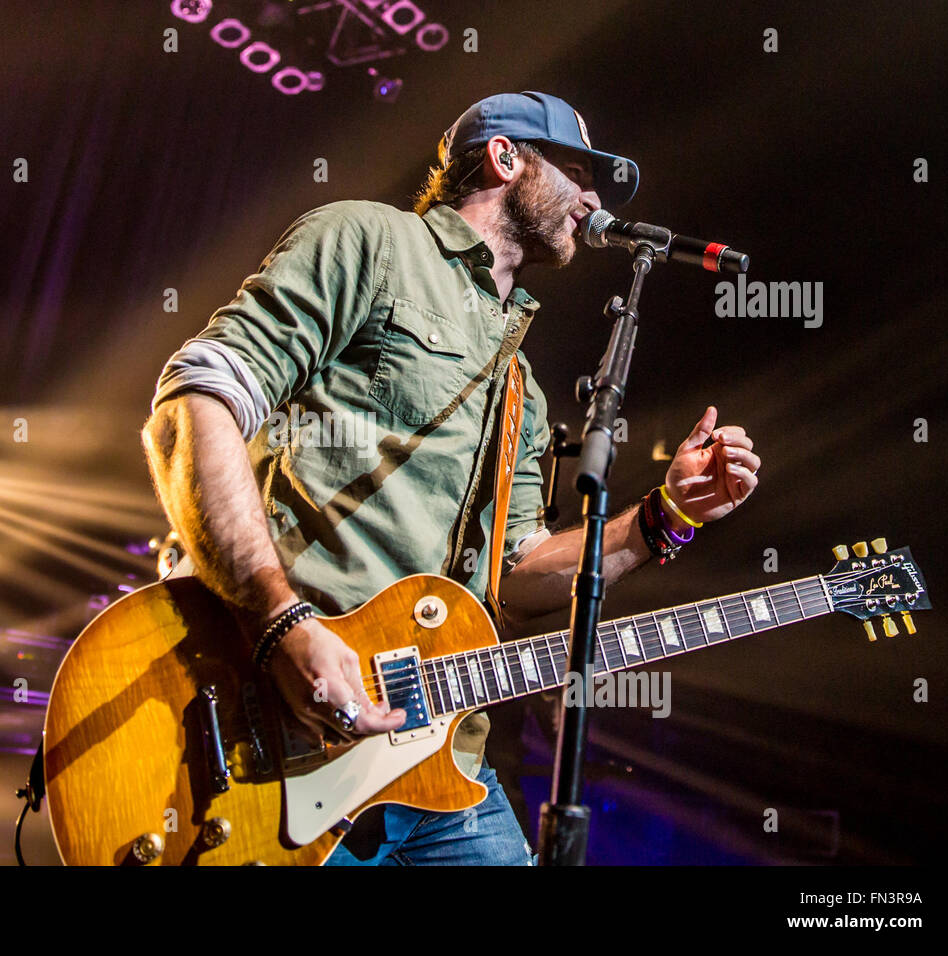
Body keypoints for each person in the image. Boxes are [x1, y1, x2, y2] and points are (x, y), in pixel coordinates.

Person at [142, 91, 761, 865]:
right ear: (506, 158)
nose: (595, 201)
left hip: (442, 762)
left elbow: (513, 574)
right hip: (272, 715)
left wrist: (666, 515)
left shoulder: (521, 389)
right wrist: (278, 623)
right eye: (578, 172)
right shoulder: (370, 240)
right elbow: (198, 394)